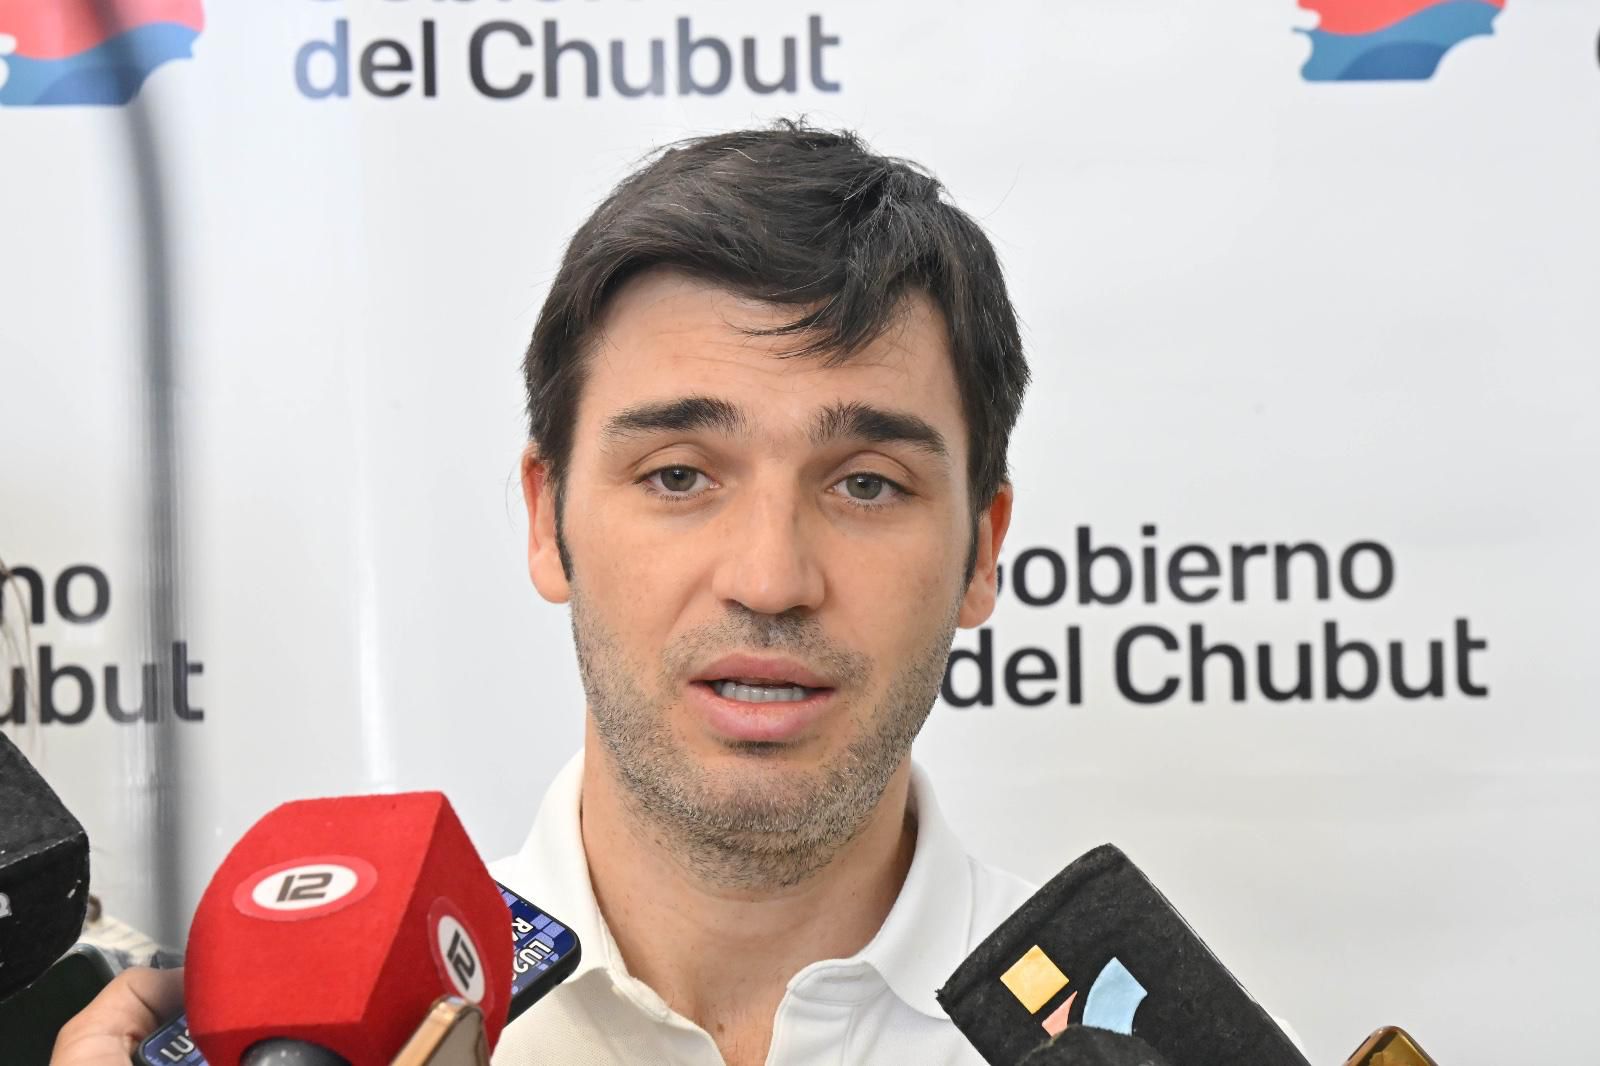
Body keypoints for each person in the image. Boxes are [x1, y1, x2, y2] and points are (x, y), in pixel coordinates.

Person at [52, 121, 1032, 1066]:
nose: (770, 581)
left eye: (867, 485)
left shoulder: (1109, 1038)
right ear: (545, 517)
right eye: (679, 475)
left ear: (980, 552)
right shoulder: (315, 1051)